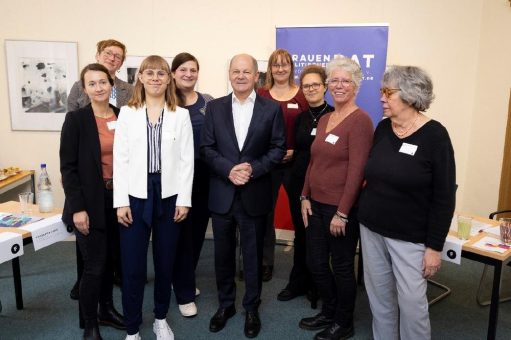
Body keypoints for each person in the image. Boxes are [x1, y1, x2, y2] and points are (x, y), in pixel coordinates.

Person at [357, 66, 456, 340]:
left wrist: (434, 247)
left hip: (410, 237)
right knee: (379, 297)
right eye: (381, 92)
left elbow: (444, 196)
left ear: (411, 95)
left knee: (412, 304)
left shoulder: (435, 136)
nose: (381, 98)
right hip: (372, 228)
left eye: (388, 92)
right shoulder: (383, 128)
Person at [201, 54, 286, 338]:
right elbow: (207, 149)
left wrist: (252, 169)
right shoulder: (214, 108)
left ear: (256, 75)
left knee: (252, 256)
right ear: (229, 73)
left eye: (246, 71)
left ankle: (251, 307)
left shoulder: (271, 109)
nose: (240, 76)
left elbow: (277, 149)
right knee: (222, 255)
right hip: (223, 194)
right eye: (235, 71)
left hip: (254, 192)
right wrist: (229, 170)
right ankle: (226, 305)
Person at [113, 55, 194, 340]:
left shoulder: (180, 114)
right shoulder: (127, 112)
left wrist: (184, 199)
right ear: (141, 78)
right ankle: (133, 328)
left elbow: (187, 160)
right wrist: (120, 201)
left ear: (169, 78)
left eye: (162, 73)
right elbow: (120, 160)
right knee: (132, 264)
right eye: (150, 73)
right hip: (135, 194)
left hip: (169, 194)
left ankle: (161, 318)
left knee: (165, 261)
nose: (156, 78)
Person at [299, 56, 373, 340]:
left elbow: (357, 173)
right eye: (335, 80)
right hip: (314, 204)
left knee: (341, 266)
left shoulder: (361, 121)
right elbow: (313, 162)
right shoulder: (327, 117)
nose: (339, 86)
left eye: (346, 81)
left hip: (340, 209)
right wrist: (304, 195)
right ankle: (329, 311)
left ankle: (344, 322)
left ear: (355, 86)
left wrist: (342, 213)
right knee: (315, 262)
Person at [60, 63, 125, 340]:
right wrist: (78, 209)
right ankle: (90, 324)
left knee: (111, 262)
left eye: (103, 82)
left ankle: (107, 310)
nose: (99, 87)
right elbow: (68, 168)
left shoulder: (123, 116)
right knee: (94, 266)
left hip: (118, 199)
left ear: (111, 84)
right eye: (92, 83)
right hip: (89, 202)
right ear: (84, 89)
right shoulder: (76, 120)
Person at [67, 39, 133, 300]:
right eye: (109, 54)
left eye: (119, 56)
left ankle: (106, 301)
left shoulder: (125, 98)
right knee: (92, 259)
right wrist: (76, 202)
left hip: (116, 190)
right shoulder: (78, 108)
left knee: (109, 253)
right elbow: (70, 156)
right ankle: (87, 304)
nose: (113, 58)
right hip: (88, 187)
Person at [277, 65, 334, 305]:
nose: (310, 89)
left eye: (315, 85)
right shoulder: (300, 117)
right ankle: (297, 280)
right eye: (306, 85)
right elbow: (295, 149)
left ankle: (316, 283)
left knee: (317, 238)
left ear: (325, 87)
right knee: (301, 234)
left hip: (322, 187)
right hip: (298, 185)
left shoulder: (334, 116)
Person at [257, 48, 308, 281]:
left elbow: (311, 130)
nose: (280, 69)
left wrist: (295, 150)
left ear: (291, 68)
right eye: (275, 65)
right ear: (270, 68)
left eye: (284, 64)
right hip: (268, 164)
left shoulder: (303, 96)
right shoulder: (261, 94)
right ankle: (265, 262)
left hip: (296, 164)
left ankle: (303, 266)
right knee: (265, 214)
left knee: (301, 215)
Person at [170, 52, 213, 318]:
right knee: (180, 235)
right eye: (183, 69)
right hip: (175, 178)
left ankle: (185, 278)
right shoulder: (165, 102)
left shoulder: (208, 101)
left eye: (193, 70)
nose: (188, 74)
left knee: (196, 233)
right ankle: (183, 290)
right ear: (174, 73)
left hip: (205, 176)